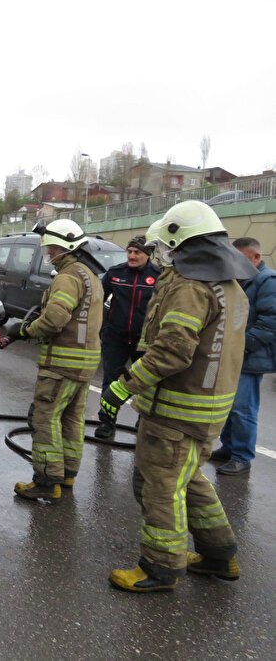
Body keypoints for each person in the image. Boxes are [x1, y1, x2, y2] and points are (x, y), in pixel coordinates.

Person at [101, 201, 257, 593]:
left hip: (176, 408)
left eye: (164, 247)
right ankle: (219, 555)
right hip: (207, 408)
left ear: (180, 241)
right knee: (189, 480)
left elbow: (172, 351)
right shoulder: (230, 287)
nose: (160, 256)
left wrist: (125, 385)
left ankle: (159, 567)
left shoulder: (191, 287)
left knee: (160, 486)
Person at [4, 219, 103, 501]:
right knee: (72, 419)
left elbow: (55, 319)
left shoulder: (67, 277)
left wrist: (25, 330)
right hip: (84, 363)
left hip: (61, 363)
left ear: (67, 247)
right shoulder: (90, 276)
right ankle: (67, 474)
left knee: (45, 418)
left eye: (53, 248)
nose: (49, 254)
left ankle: (47, 481)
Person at [211, 237, 276, 475]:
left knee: (242, 408)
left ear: (256, 257)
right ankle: (228, 448)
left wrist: (238, 345)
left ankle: (242, 456)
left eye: (239, 257)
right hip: (235, 354)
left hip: (249, 357)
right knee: (230, 405)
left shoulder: (268, 281)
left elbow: (270, 324)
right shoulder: (240, 279)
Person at [95, 236, 161, 439]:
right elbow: (97, 300)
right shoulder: (116, 273)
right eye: (129, 251)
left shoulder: (159, 276)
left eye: (137, 252)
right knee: (110, 381)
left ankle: (143, 425)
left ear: (147, 254)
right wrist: (103, 326)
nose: (132, 256)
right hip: (116, 337)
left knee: (145, 384)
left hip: (144, 341)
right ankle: (107, 422)